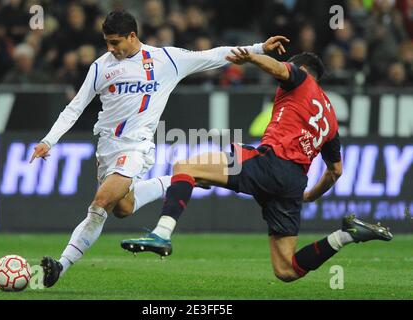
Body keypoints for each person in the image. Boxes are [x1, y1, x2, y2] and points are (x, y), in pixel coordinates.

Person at [29, 10, 283, 287]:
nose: (110, 49)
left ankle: (60, 266)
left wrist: (259, 48)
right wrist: (48, 140)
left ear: (132, 36)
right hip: (106, 146)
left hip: (136, 146)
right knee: (122, 207)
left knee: (100, 203)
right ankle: (179, 180)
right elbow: (75, 107)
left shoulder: (165, 60)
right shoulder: (101, 67)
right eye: (107, 42)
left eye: (115, 42)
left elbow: (213, 55)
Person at [121, 47, 393, 282]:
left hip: (271, 161)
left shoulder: (300, 80)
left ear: (300, 69)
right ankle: (347, 235)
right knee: (287, 270)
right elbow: (336, 171)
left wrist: (251, 57)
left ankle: (161, 234)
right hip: (294, 182)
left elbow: (279, 68)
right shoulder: (330, 117)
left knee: (185, 167)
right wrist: (309, 195)